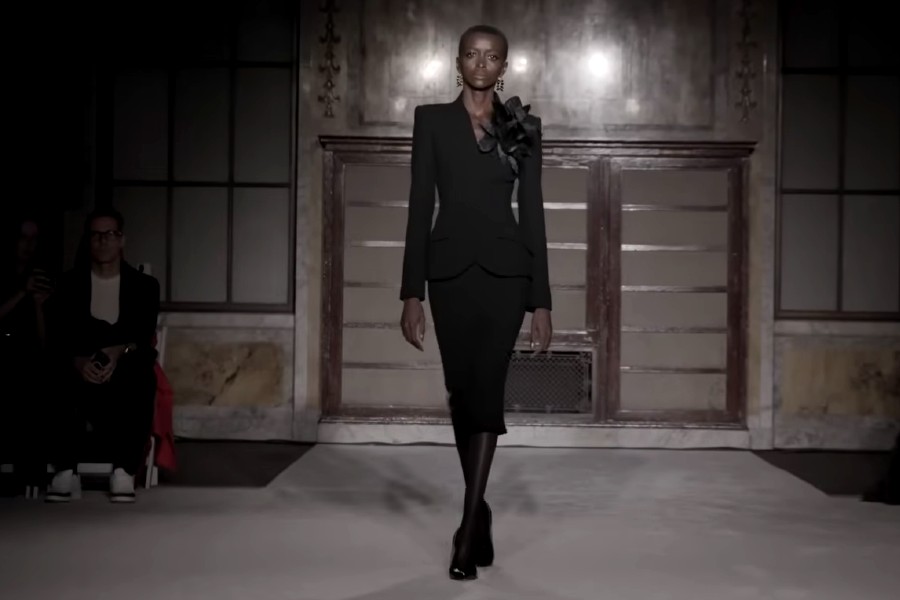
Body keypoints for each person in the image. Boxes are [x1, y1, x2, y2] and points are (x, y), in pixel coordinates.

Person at [399, 25, 552, 580]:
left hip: (507, 276)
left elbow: (532, 211)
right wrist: (411, 292)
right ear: (458, 62)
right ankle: (480, 511)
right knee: (461, 392)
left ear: (504, 66)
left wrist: (541, 301)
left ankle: (466, 533)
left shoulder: (523, 126)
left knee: (485, 388)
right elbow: (420, 204)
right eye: (472, 54)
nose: (481, 63)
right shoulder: (431, 121)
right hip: (449, 275)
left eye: (492, 56)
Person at [45, 207, 160, 503]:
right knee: (53, 371)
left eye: (110, 234)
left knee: (143, 376)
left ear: (122, 239)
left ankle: (124, 470)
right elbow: (58, 338)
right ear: (88, 240)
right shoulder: (68, 284)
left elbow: (143, 341)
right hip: (80, 368)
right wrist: (77, 361)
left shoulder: (144, 286)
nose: (103, 240)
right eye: (96, 235)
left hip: (125, 370)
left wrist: (119, 351)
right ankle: (65, 470)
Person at [0, 217, 53, 489]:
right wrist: (22, 292)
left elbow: (44, 341)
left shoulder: (42, 276)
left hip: (29, 356)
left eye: (34, 239)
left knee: (38, 378)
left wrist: (39, 305)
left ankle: (32, 475)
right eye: (24, 238)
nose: (29, 245)